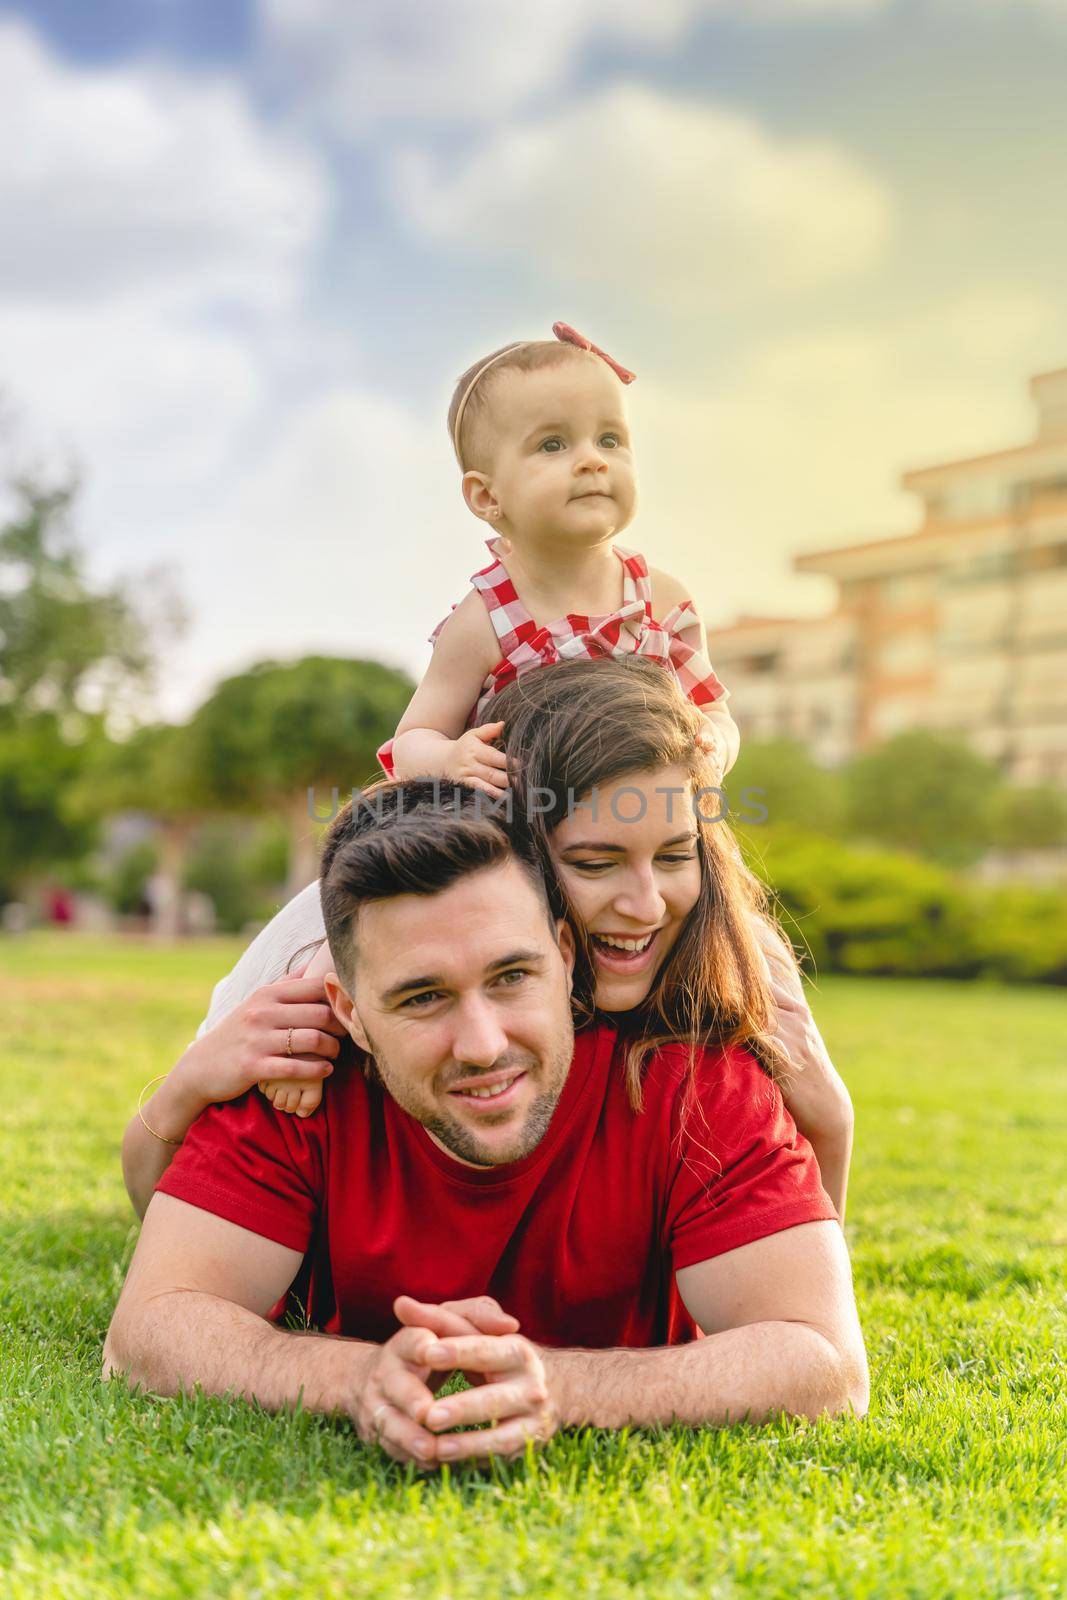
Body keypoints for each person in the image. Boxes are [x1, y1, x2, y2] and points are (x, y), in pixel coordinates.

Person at [104, 776, 868, 1467]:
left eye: (511, 976)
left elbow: (823, 1360)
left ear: (567, 955)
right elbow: (149, 1331)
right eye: (422, 997)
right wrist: (361, 1376)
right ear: (349, 1010)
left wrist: (557, 1388)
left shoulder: (691, 1083)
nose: (482, 1045)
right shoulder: (297, 1075)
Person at [121, 658, 854, 1223]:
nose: (643, 904)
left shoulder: (727, 945)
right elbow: (172, 1207)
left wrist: (829, 1114)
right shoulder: (337, 957)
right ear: (510, 847)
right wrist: (187, 1084)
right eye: (592, 863)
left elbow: (803, 1240)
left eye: (672, 855)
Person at [256, 321, 740, 1114]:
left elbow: (713, 709)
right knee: (359, 912)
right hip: (504, 835)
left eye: (610, 440)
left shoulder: (664, 598)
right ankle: (306, 1034)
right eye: (553, 444)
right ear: (486, 496)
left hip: (633, 831)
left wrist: (711, 747)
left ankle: (793, 1078)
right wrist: (444, 762)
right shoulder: (483, 619)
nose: (592, 460)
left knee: (740, 943)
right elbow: (412, 736)